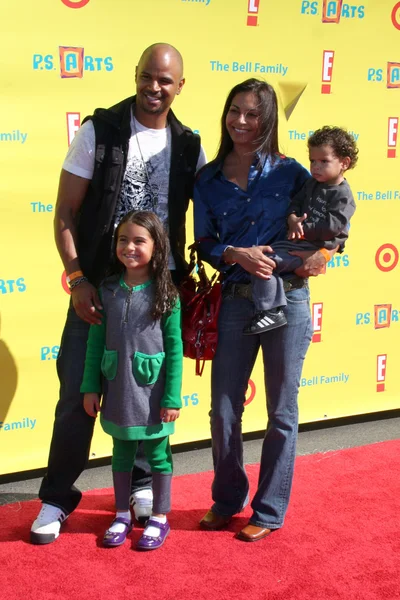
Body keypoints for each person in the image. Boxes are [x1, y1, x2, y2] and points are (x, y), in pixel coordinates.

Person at [30, 42, 206, 545]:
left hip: (155, 299)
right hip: (96, 296)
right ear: (135, 76)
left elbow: (220, 203)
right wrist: (79, 279)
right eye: (148, 76)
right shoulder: (99, 131)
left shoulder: (190, 145)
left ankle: (142, 489)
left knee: (147, 396)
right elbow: (65, 213)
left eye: (165, 80)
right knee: (76, 398)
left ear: (179, 86)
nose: (155, 87)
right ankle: (56, 497)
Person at [194, 78, 336, 542]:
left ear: (268, 120)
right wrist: (237, 253)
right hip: (236, 301)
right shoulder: (208, 178)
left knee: (281, 411)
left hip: (287, 299)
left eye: (253, 114)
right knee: (222, 410)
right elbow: (206, 244)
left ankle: (270, 509)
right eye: (235, 110)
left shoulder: (294, 174)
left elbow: (331, 221)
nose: (240, 121)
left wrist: (323, 255)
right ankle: (227, 498)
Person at [81, 210, 182, 550]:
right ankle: (122, 514)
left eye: (140, 240)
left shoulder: (167, 294)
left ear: (157, 247)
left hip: (152, 394)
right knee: (121, 453)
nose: (130, 247)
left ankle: (160, 517)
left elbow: (175, 350)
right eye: (123, 240)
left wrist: (172, 397)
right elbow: (96, 342)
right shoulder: (108, 290)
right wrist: (90, 386)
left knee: (158, 456)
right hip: (118, 389)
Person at [243, 125, 358, 335]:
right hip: (294, 241)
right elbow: (296, 203)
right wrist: (292, 218)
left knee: (265, 262)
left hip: (310, 248)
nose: (316, 166)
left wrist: (304, 230)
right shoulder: (311, 183)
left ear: (344, 163)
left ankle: (270, 310)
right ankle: (273, 308)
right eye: (313, 161)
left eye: (324, 161)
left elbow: (333, 228)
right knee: (262, 255)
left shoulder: (343, 196)